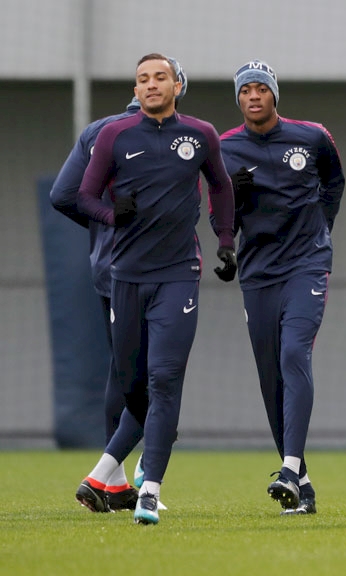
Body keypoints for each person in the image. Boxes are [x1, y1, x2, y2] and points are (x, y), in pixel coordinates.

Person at [73, 53, 237, 525]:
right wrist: (111, 213)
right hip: (125, 276)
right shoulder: (114, 135)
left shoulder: (201, 134)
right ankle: (104, 471)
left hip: (178, 273)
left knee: (165, 378)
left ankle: (150, 490)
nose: (150, 85)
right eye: (142, 79)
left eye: (159, 78)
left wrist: (226, 241)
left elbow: (222, 187)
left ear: (176, 85)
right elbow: (84, 195)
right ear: (136, 88)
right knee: (134, 387)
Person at [52, 58, 188, 514]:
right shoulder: (162, 136)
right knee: (155, 377)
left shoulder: (97, 130)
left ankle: (117, 480)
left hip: (107, 268)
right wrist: (117, 222)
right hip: (152, 268)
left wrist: (104, 227)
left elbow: (64, 196)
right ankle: (128, 476)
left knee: (124, 371)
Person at [219, 60, 345, 515]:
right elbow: (219, 218)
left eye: (261, 88)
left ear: (275, 95)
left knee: (295, 353)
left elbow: (335, 182)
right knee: (271, 375)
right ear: (239, 99)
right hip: (258, 273)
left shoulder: (312, 137)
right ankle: (302, 483)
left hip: (307, 266)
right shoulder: (223, 148)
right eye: (246, 90)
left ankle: (288, 468)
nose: (254, 96)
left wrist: (321, 230)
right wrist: (232, 198)